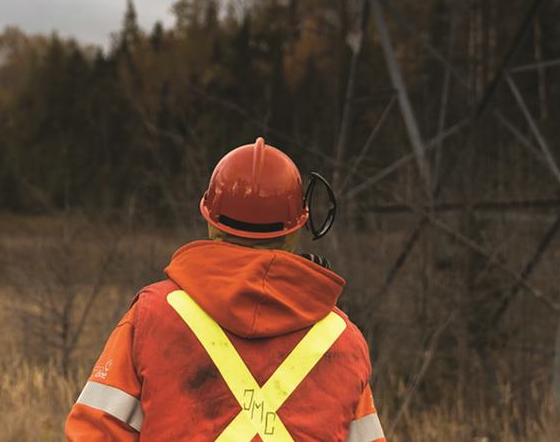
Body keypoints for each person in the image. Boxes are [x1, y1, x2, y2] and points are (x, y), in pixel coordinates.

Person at [65, 138, 384, 442]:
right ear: (297, 229)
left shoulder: (152, 315)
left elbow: (95, 432)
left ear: (211, 222)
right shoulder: (344, 340)